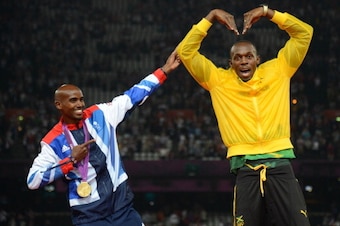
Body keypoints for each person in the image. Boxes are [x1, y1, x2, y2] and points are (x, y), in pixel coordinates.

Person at [176, 5, 313, 226]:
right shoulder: (217, 80)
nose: (243, 61)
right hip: (246, 169)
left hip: (280, 164)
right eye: (238, 58)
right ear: (231, 63)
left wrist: (269, 13)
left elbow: (304, 33)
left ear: (258, 59)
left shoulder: (279, 70)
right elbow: (185, 51)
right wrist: (210, 17)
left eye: (249, 56)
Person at [26, 50, 181, 226]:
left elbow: (133, 96)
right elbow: (33, 180)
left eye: (81, 99)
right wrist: (70, 161)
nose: (80, 104)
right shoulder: (52, 141)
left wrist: (164, 70)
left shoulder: (101, 114)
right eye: (73, 100)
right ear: (59, 105)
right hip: (90, 216)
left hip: (121, 207)